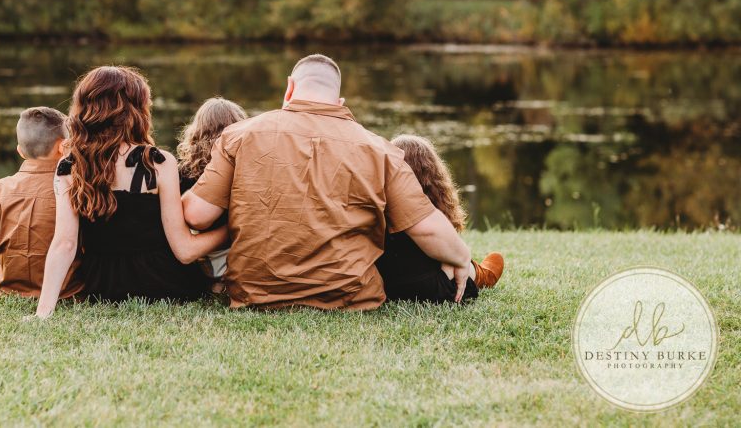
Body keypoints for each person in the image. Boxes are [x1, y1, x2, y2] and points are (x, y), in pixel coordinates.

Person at [182, 54, 475, 310]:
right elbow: (426, 228)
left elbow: (197, 214)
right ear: (339, 101)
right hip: (347, 298)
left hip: (255, 295)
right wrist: (463, 258)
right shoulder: (379, 150)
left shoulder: (238, 136)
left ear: (290, 88)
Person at [33, 66, 228, 318]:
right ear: (136, 110)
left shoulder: (70, 166)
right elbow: (184, 250)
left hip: (101, 286)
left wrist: (43, 312)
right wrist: (230, 229)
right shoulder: (158, 162)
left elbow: (65, 244)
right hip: (165, 284)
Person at [0, 107, 72, 304]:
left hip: (11, 287)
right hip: (65, 287)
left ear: (20, 151)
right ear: (63, 147)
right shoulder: (72, 186)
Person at [376, 135, 504, 304]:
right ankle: (480, 275)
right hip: (427, 287)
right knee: (450, 256)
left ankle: (476, 270)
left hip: (388, 286)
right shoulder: (427, 219)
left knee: (446, 254)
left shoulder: (378, 207)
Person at [177, 97, 248, 280]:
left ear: (196, 132)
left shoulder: (183, 172)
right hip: (241, 248)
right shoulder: (247, 169)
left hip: (205, 250)